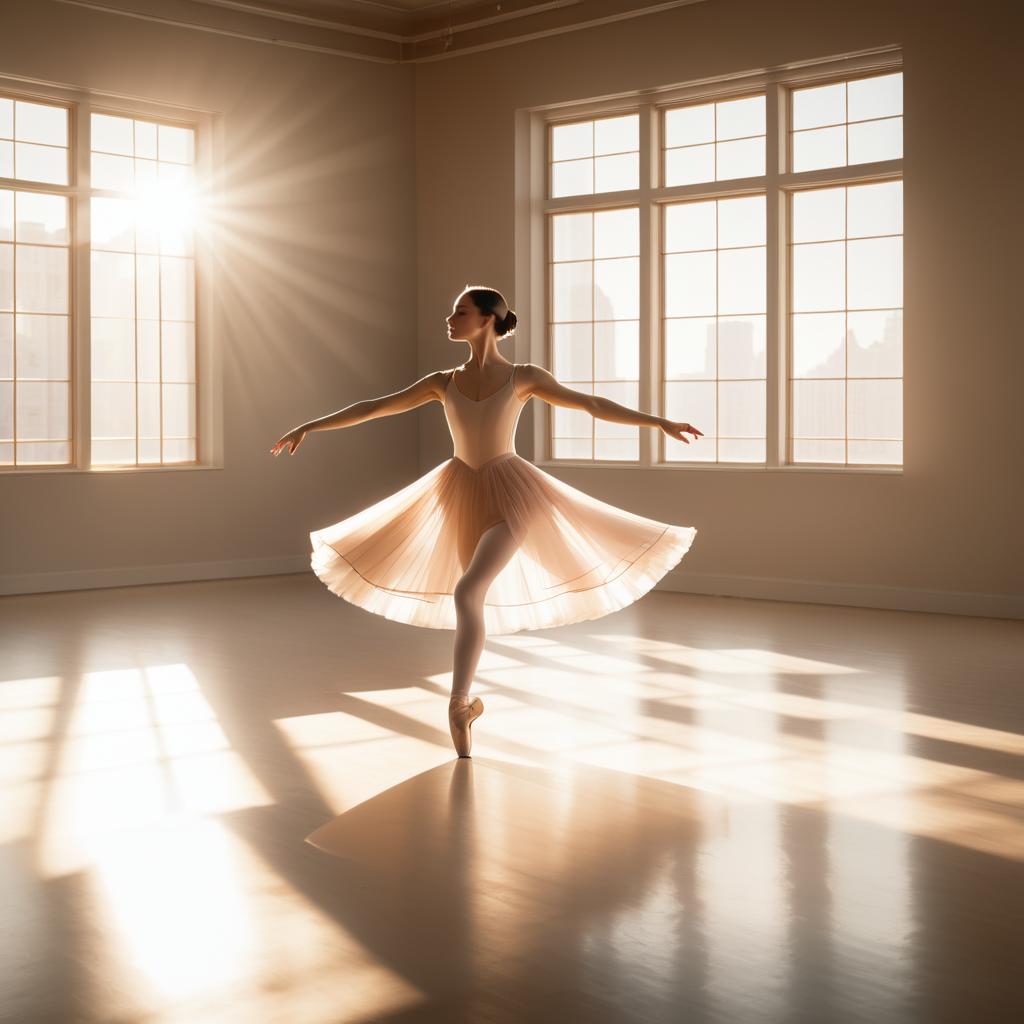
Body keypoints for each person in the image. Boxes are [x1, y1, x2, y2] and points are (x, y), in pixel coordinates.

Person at [271, 285, 701, 757]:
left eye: (461, 311)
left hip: (513, 492)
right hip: (458, 492)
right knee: (468, 599)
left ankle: (456, 703)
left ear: (489, 320)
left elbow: (591, 404)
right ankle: (468, 703)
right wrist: (310, 425)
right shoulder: (443, 381)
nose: (450, 318)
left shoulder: (524, 376)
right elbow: (376, 406)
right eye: (453, 311)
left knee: (466, 590)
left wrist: (658, 422)